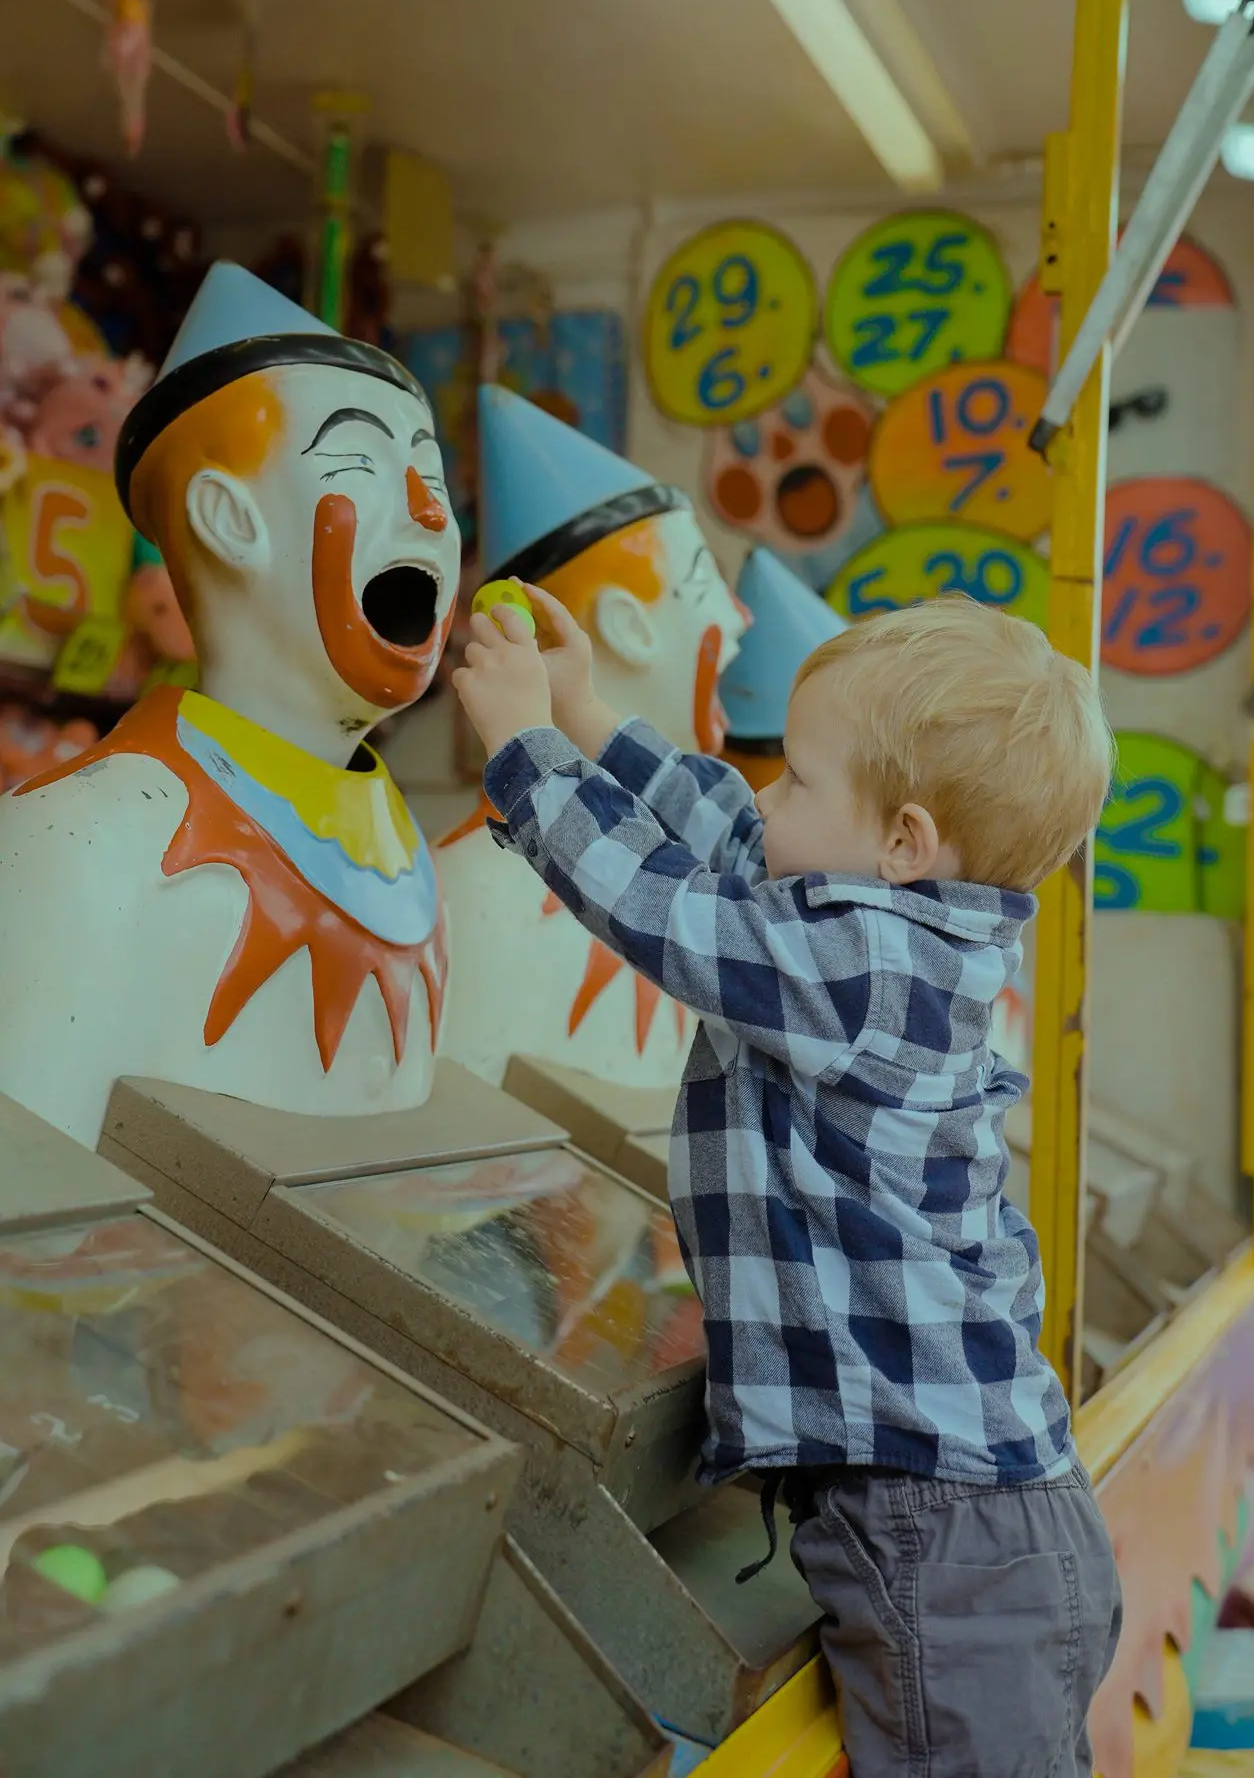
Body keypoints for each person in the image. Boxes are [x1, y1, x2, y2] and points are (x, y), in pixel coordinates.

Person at [453, 582, 1123, 1777]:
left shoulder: (862, 964)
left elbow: (662, 909)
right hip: (983, 1513)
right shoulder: (895, 920)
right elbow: (727, 824)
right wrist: (590, 710)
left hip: (939, 1528)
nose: (765, 793)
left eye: (797, 776)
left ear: (903, 841)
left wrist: (526, 750)